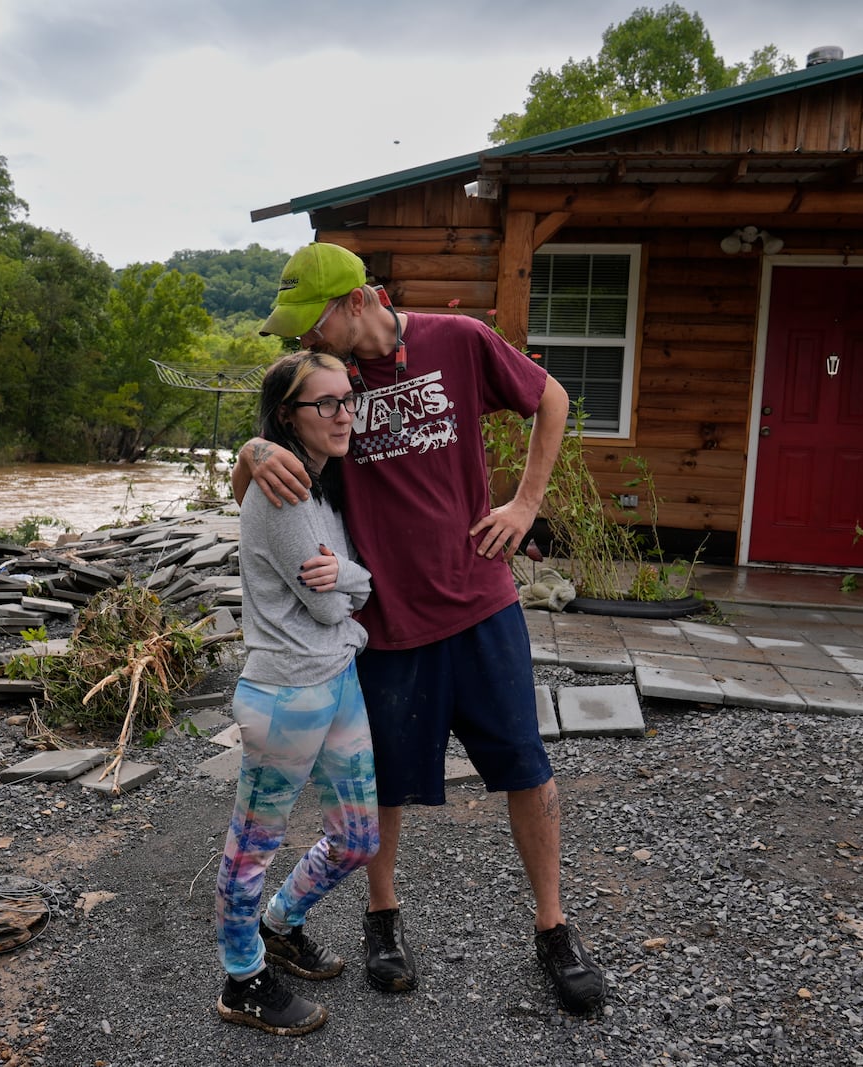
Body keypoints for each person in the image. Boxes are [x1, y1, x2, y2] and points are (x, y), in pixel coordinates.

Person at [232, 242, 607, 1015]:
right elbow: (255, 465)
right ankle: (383, 921)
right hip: (387, 619)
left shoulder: (457, 339)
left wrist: (526, 503)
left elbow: (553, 398)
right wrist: (253, 445)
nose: (306, 340)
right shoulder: (326, 387)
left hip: (481, 603)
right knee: (390, 783)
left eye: (314, 322)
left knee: (526, 766)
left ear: (360, 300)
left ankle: (554, 927)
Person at [214, 350, 380, 1036]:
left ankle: (281, 922)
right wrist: (357, 582)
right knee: (252, 844)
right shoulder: (281, 490)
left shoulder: (322, 482)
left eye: (349, 399)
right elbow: (327, 605)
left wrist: (348, 577)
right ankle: (242, 976)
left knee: (359, 836)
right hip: (285, 693)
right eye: (325, 403)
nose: (344, 414)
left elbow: (341, 587)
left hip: (337, 679)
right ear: (287, 415)